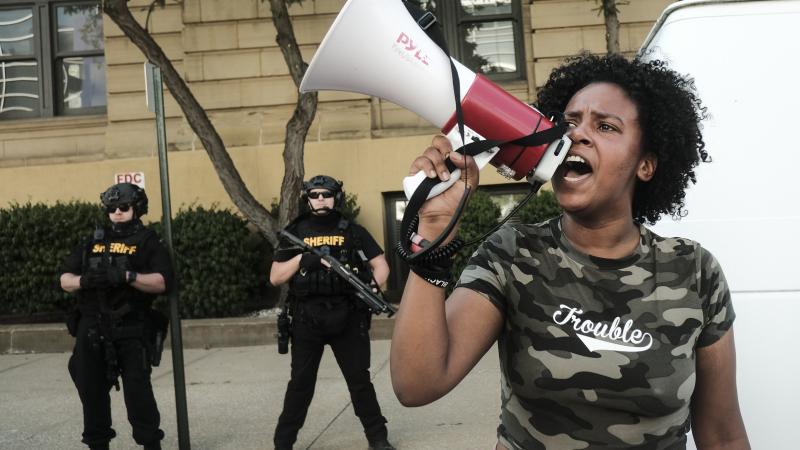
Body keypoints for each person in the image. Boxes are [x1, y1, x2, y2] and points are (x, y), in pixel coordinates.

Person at [390, 53, 750, 449]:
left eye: (606, 126)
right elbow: (416, 384)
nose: (576, 134)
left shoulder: (693, 271)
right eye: (569, 122)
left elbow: (722, 435)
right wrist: (434, 232)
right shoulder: (512, 254)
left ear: (645, 165)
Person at [270, 175, 395, 450]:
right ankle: (283, 443)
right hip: (306, 318)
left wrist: (372, 287)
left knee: (359, 381)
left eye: (326, 194)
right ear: (308, 199)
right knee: (300, 385)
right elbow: (276, 276)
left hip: (348, 316)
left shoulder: (352, 231)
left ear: (335, 197)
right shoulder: (296, 231)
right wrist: (303, 259)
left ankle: (378, 438)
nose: (321, 199)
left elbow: (380, 265)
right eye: (315, 195)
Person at [60, 183, 172, 450]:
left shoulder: (148, 241)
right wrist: (83, 281)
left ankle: (150, 443)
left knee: (138, 393)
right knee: (91, 391)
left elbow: (162, 281)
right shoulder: (93, 241)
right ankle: (98, 444)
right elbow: (65, 278)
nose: (118, 212)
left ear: (137, 208)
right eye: (112, 208)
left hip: (131, 326)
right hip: (92, 327)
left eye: (124, 207)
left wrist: (127, 277)